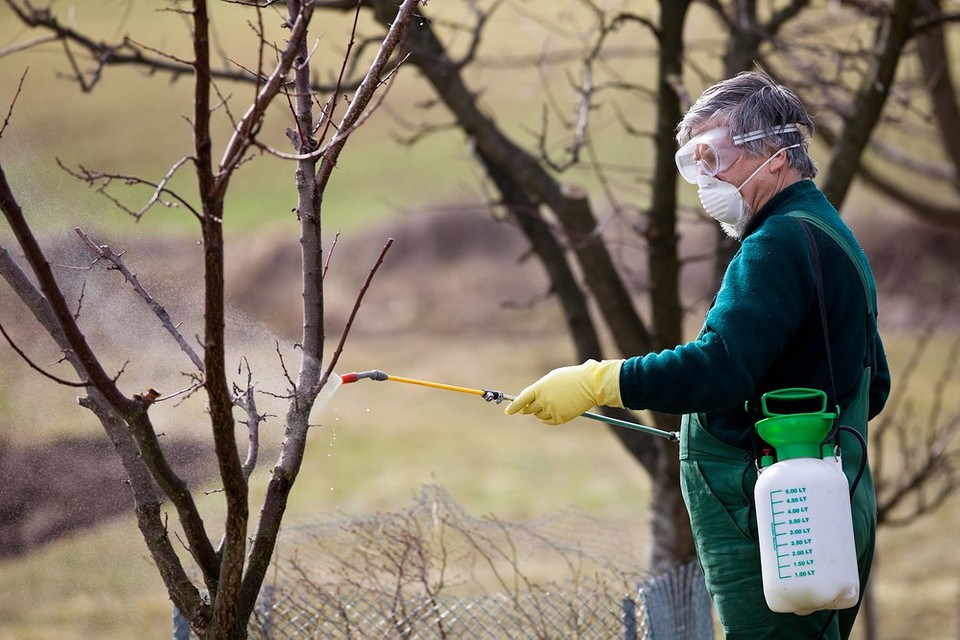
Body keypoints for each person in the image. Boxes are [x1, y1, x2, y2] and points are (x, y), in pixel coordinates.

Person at [504, 71, 890, 639]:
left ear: (777, 156)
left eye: (715, 156)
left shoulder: (776, 245)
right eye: (695, 161)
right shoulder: (828, 232)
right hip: (832, 507)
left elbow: (719, 369)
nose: (705, 178)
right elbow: (871, 385)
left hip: (777, 521)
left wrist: (600, 382)